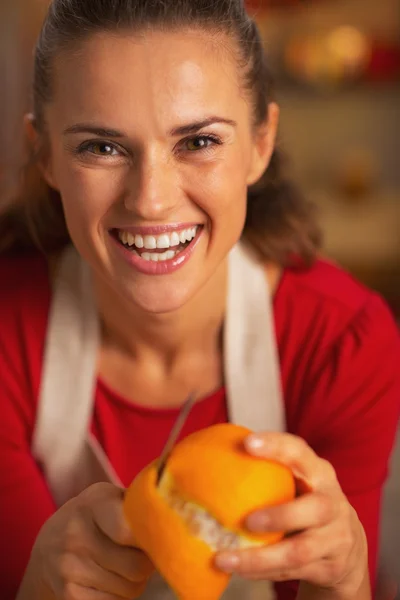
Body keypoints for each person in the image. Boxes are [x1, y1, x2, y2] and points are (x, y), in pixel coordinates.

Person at [0, 0, 399, 599]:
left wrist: (342, 581)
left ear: (261, 142)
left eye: (199, 140)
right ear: (46, 154)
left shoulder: (346, 343)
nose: (152, 200)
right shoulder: (7, 336)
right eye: (102, 148)